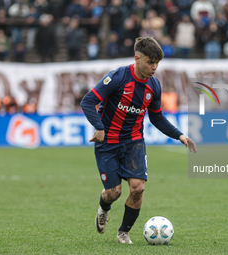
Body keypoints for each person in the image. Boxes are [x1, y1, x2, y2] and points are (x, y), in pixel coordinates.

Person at [80, 36, 197, 244]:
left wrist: (180, 135)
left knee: (138, 188)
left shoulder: (154, 86)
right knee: (114, 193)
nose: (154, 67)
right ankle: (104, 207)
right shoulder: (117, 77)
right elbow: (88, 101)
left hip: (133, 142)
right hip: (107, 143)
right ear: (137, 58)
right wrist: (99, 127)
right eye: (150, 62)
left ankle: (123, 233)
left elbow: (157, 117)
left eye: (157, 63)